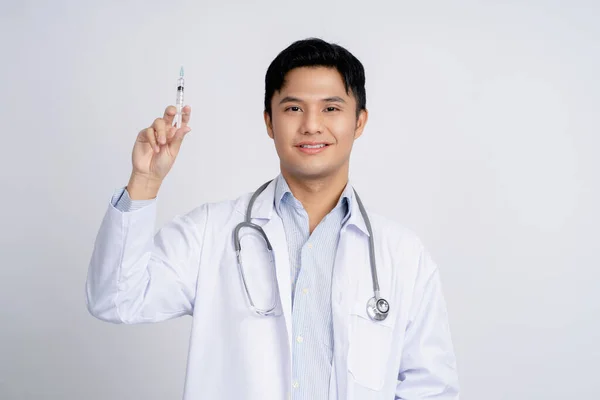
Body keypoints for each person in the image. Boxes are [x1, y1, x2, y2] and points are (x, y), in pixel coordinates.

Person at [85, 37, 459, 400]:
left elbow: (429, 388)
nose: (312, 125)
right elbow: (116, 298)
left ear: (359, 122)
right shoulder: (210, 233)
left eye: (331, 108)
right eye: (293, 108)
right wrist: (145, 181)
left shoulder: (403, 255)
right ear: (269, 121)